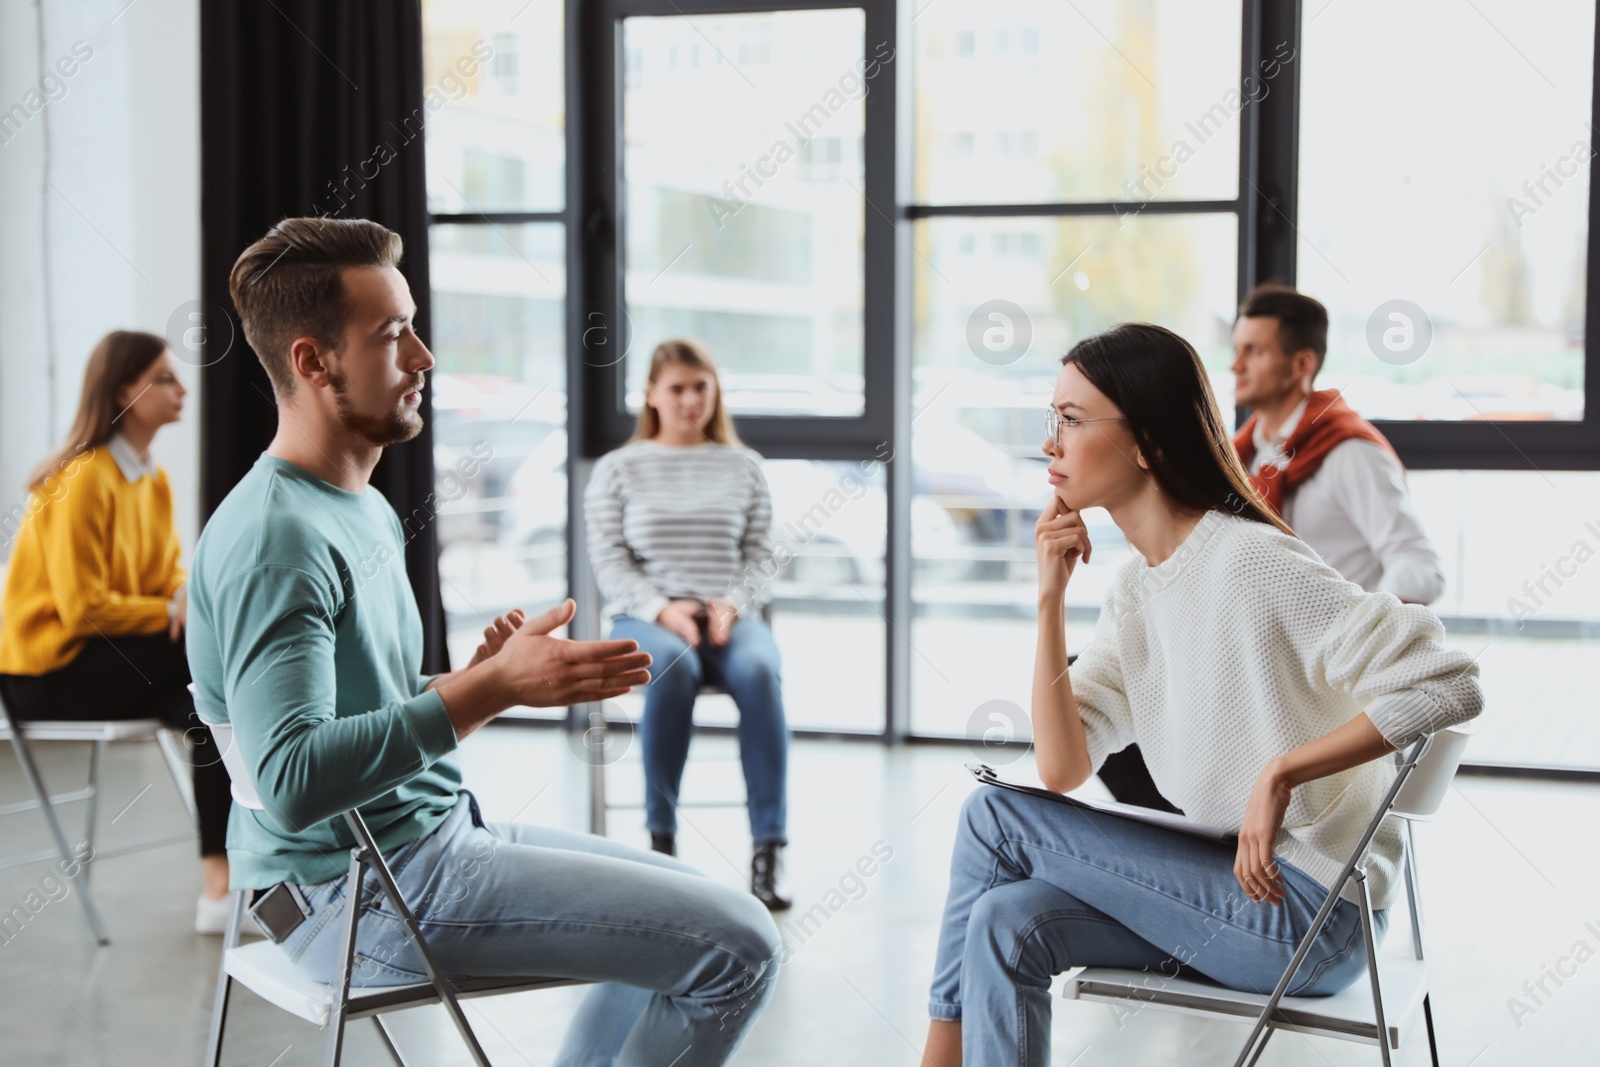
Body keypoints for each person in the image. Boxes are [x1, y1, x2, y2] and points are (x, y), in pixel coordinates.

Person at [186, 218, 780, 1065]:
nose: (424, 356)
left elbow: (361, 705)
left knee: (698, 912)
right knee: (740, 947)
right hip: (355, 895)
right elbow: (291, 778)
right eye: (394, 336)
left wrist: (479, 676)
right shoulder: (278, 536)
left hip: (424, 843)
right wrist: (494, 689)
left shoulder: (357, 504)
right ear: (314, 362)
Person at [921, 323, 1482, 1067]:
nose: (1049, 442)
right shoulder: (1138, 591)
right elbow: (1061, 766)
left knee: (992, 815)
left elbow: (1450, 679)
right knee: (1004, 917)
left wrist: (1286, 771)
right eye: (1050, 418)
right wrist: (1050, 598)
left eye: (1071, 419)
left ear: (1148, 441)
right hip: (1237, 899)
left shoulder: (1250, 562)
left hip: (1310, 916)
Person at [1097, 284, 1446, 812]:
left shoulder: (1348, 453)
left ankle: (1204, 842)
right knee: (1127, 676)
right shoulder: (1242, 456)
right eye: (1235, 350)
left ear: (1301, 363)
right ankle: (1197, 833)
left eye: (1253, 351)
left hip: (1312, 674)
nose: (1234, 365)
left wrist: (1346, 621)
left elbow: (1420, 569)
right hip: (1244, 652)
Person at [0, 331, 239, 934]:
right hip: (48, 673)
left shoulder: (150, 479)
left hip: (112, 662)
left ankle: (220, 887)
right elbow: (82, 610)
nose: (181, 388)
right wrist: (172, 613)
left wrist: (184, 594)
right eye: (163, 378)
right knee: (207, 663)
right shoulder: (81, 478)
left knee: (205, 709)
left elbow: (165, 575)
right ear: (122, 391)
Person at [585, 339, 792, 911]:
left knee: (759, 670)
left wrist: (730, 603)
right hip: (649, 613)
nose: (690, 399)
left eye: (700, 386)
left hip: (727, 612)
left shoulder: (744, 466)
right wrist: (663, 610)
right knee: (672, 669)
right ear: (651, 394)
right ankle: (662, 844)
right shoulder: (618, 470)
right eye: (676, 388)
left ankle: (768, 851)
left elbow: (760, 557)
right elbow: (609, 562)